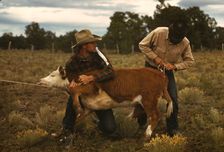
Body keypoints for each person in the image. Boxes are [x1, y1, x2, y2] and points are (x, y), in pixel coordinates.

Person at [138, 19, 194, 136]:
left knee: (172, 98)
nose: (175, 40)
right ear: (170, 31)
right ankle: (141, 121)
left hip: (167, 72)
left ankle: (172, 128)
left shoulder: (185, 42)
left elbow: (190, 61)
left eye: (178, 39)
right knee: (143, 97)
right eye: (174, 37)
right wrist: (156, 58)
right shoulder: (159, 32)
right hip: (150, 69)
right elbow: (142, 45)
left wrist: (174, 66)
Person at [59, 29, 116, 142]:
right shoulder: (72, 63)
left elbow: (111, 72)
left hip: (99, 95)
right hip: (83, 95)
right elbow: (71, 80)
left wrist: (92, 78)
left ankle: (98, 124)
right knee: (73, 98)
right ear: (84, 46)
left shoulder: (98, 55)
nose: (95, 45)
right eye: (93, 43)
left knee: (110, 129)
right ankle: (66, 130)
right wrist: (73, 84)